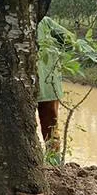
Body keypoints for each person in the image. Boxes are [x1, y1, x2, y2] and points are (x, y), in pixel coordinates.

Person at [36, 16, 68, 154]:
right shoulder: (45, 22)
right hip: (49, 85)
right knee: (51, 129)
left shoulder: (45, 22)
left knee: (24, 128)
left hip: (40, 86)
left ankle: (43, 163)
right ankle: (52, 163)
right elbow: (70, 41)